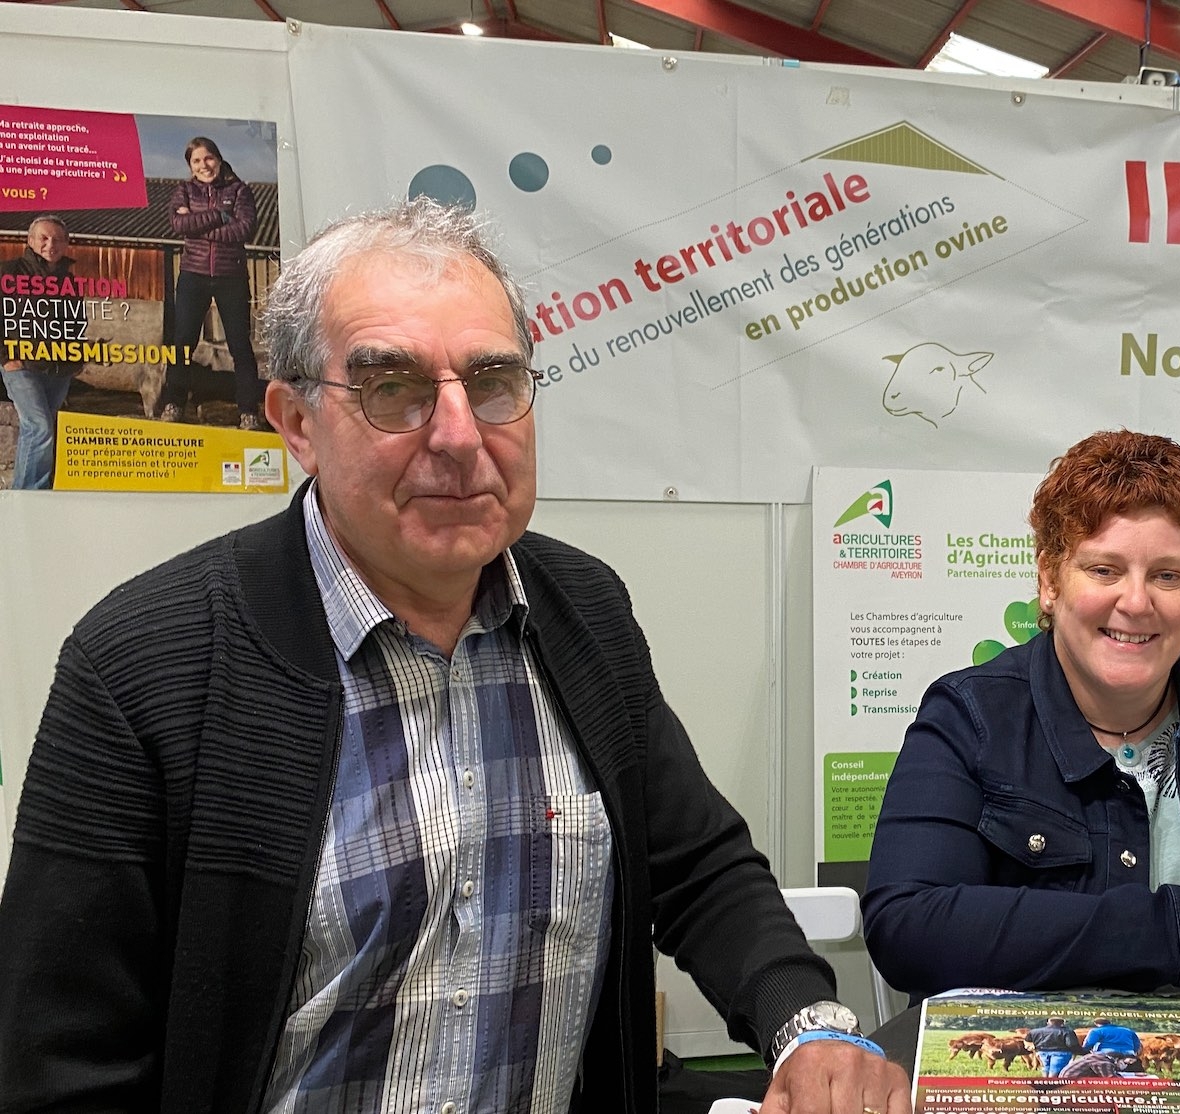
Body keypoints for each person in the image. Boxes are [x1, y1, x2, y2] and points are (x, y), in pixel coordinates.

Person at [0, 200, 906, 1114]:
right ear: (296, 422)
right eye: (392, 389)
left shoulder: (582, 615)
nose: (461, 434)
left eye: (493, 382)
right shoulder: (143, 667)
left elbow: (699, 865)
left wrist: (809, 1022)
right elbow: (61, 1067)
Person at [864, 431, 1180, 999]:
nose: (1136, 602)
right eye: (1104, 570)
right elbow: (908, 925)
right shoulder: (971, 715)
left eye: (1167, 575)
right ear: (1049, 580)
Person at [161, 136, 264, 428]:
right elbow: (178, 225)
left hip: (231, 276)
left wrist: (198, 223)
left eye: (208, 158)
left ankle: (247, 411)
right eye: (196, 161)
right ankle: (174, 403)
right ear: (191, 167)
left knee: (240, 346)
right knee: (182, 343)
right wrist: (219, 216)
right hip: (192, 276)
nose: (204, 165)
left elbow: (244, 230)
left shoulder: (240, 190)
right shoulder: (183, 190)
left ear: (218, 158)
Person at [2, 215, 83, 489]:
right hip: (20, 365)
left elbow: (76, 322)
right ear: (30, 240)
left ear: (67, 244)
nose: (51, 244)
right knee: (40, 427)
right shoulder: (8, 273)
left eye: (58, 239)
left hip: (58, 369)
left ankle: (29, 493)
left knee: (40, 428)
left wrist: (76, 358)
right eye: (44, 238)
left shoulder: (69, 282)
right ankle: (30, 495)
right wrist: (5, 357)